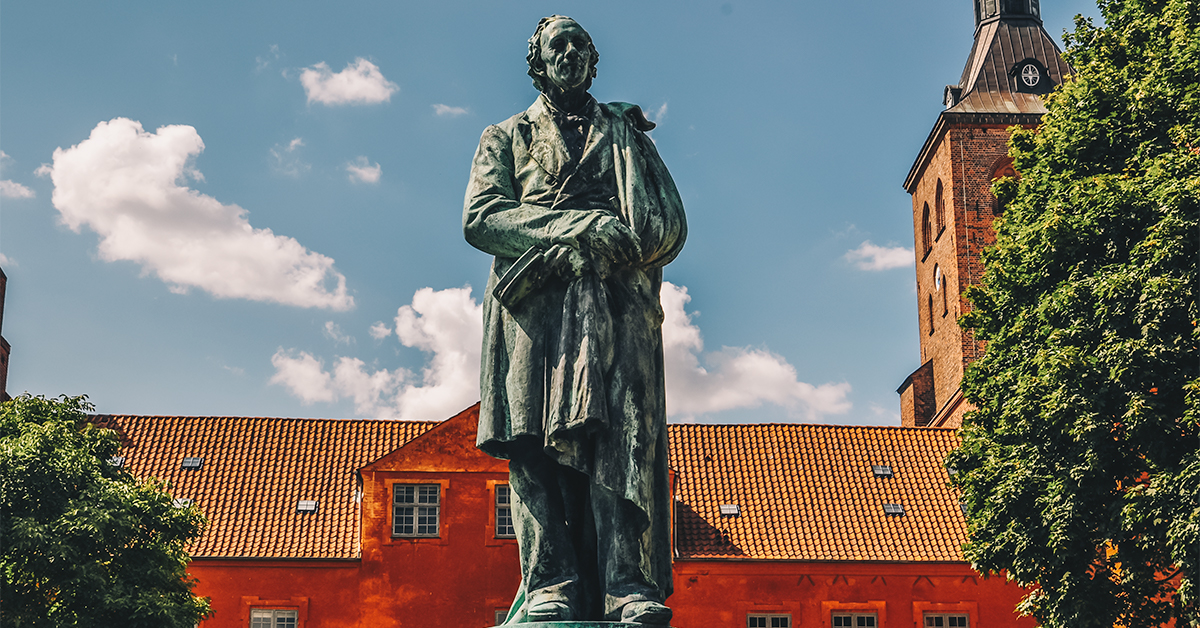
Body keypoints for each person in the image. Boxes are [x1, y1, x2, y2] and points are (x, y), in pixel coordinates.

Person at [462, 15, 687, 625]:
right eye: (556, 46)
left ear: (592, 60)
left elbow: (669, 224)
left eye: (579, 45)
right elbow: (482, 217)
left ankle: (625, 583)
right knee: (530, 441)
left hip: (616, 303)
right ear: (537, 63)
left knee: (622, 438)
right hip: (532, 307)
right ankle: (548, 583)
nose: (569, 53)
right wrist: (579, 226)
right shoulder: (505, 136)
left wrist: (623, 243)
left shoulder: (626, 137)